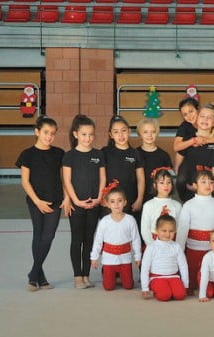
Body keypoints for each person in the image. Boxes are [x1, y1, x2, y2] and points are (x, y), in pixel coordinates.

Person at [16, 116, 67, 291]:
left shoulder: (59, 153)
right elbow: (25, 181)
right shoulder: (27, 154)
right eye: (46, 132)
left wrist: (67, 196)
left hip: (55, 200)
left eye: (52, 134)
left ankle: (33, 274)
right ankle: (40, 277)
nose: (49, 137)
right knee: (38, 235)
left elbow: (64, 178)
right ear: (37, 131)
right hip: (35, 201)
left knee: (48, 236)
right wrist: (37, 201)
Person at [62, 114, 106, 289]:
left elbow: (102, 178)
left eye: (91, 135)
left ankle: (86, 274)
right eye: (84, 134)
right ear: (76, 135)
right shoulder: (69, 156)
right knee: (77, 240)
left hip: (94, 204)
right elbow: (67, 181)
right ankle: (77, 276)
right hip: (77, 205)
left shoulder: (98, 154)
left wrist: (99, 198)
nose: (88, 138)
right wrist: (75, 201)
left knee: (89, 240)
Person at [176, 169, 214, 291]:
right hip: (193, 251)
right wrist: (179, 252)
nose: (208, 185)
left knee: (213, 285)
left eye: (211, 182)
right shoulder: (188, 205)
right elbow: (182, 231)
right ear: (195, 185)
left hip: (213, 251)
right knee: (191, 285)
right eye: (203, 182)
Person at [90, 183, 142, 291]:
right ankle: (107, 273)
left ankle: (121, 276)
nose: (116, 204)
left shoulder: (130, 220)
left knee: (128, 286)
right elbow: (98, 240)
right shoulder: (104, 221)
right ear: (107, 204)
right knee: (108, 287)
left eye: (119, 200)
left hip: (125, 258)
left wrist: (138, 256)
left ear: (125, 202)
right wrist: (94, 257)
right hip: (109, 258)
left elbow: (136, 239)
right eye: (112, 201)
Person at [179, 103, 214, 202]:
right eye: (202, 116)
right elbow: (180, 173)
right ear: (197, 118)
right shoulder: (188, 141)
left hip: (212, 191)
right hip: (191, 191)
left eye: (209, 117)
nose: (205, 119)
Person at [102, 115, 145, 215]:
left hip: (129, 200)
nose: (120, 135)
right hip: (110, 202)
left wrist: (139, 199)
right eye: (116, 132)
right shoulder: (105, 152)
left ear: (129, 131)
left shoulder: (135, 153)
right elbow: (100, 177)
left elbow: (140, 179)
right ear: (111, 135)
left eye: (123, 131)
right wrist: (102, 198)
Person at [140, 215, 189, 302]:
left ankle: (171, 288)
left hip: (174, 276)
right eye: (164, 231)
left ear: (175, 231)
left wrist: (185, 285)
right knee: (164, 296)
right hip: (157, 278)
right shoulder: (151, 247)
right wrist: (145, 287)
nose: (167, 234)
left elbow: (183, 265)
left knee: (181, 295)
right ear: (156, 230)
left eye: (171, 231)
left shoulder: (176, 246)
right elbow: (145, 268)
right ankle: (156, 289)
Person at [140, 168, 181, 247]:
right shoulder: (148, 205)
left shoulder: (177, 205)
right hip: (153, 244)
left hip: (172, 244)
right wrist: (153, 246)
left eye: (168, 182)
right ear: (155, 185)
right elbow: (145, 230)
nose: (166, 185)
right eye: (162, 183)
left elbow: (180, 229)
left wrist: (177, 246)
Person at [136, 118, 172, 203]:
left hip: (158, 198)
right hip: (138, 197)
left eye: (153, 131)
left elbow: (168, 179)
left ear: (157, 133)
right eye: (145, 132)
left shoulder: (164, 155)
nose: (149, 135)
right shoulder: (135, 154)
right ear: (140, 134)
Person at [173, 97, 199, 198]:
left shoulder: (207, 120)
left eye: (191, 111)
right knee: (181, 180)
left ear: (198, 108)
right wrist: (193, 141)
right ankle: (185, 201)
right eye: (185, 114)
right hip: (189, 159)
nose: (189, 116)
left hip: (207, 158)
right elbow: (176, 147)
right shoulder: (185, 126)